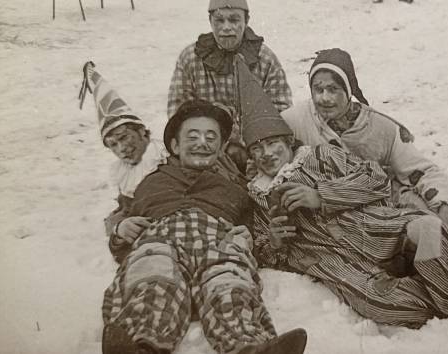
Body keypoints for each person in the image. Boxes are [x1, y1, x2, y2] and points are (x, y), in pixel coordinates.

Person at [234, 60, 448, 354]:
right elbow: (264, 253)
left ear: (287, 141)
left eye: (272, 143)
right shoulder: (258, 199)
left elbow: (375, 179)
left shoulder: (320, 157)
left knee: (429, 229)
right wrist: (274, 242)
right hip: (344, 265)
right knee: (383, 305)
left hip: (384, 230)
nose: (267, 153)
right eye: (257, 148)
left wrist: (322, 195)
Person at [281, 48, 448, 264]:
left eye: (333, 89)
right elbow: (268, 140)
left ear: (349, 90)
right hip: (335, 205)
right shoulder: (297, 119)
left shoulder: (380, 127)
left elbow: (419, 170)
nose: (324, 98)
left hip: (382, 197)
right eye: (318, 89)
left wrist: (442, 204)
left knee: (422, 209)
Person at [101, 100, 307, 354]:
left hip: (217, 239)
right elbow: (118, 222)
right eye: (193, 136)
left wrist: (249, 237)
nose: (202, 142)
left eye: (211, 137)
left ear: (220, 149)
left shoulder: (235, 190)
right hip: (162, 237)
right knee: (154, 276)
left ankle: (250, 347)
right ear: (175, 145)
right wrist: (121, 230)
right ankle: (139, 347)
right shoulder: (148, 183)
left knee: (229, 282)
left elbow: (253, 230)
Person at [167, 0, 292, 171]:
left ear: (246, 21)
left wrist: (249, 145)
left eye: (234, 20)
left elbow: (280, 111)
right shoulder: (190, 58)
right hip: (206, 149)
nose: (226, 27)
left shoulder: (265, 59)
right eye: (219, 20)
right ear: (210, 21)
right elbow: (178, 110)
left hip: (256, 150)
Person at [79, 62, 169, 263]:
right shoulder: (124, 173)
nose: (121, 149)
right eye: (113, 145)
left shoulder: (164, 156)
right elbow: (124, 209)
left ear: (142, 132)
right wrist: (118, 226)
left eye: (124, 137)